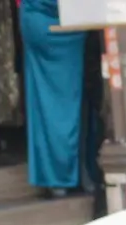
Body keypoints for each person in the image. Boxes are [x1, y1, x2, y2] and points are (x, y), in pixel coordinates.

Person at [19, 0, 86, 198]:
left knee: (43, 102)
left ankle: (54, 177)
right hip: (71, 23)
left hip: (38, 21)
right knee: (72, 101)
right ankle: (69, 173)